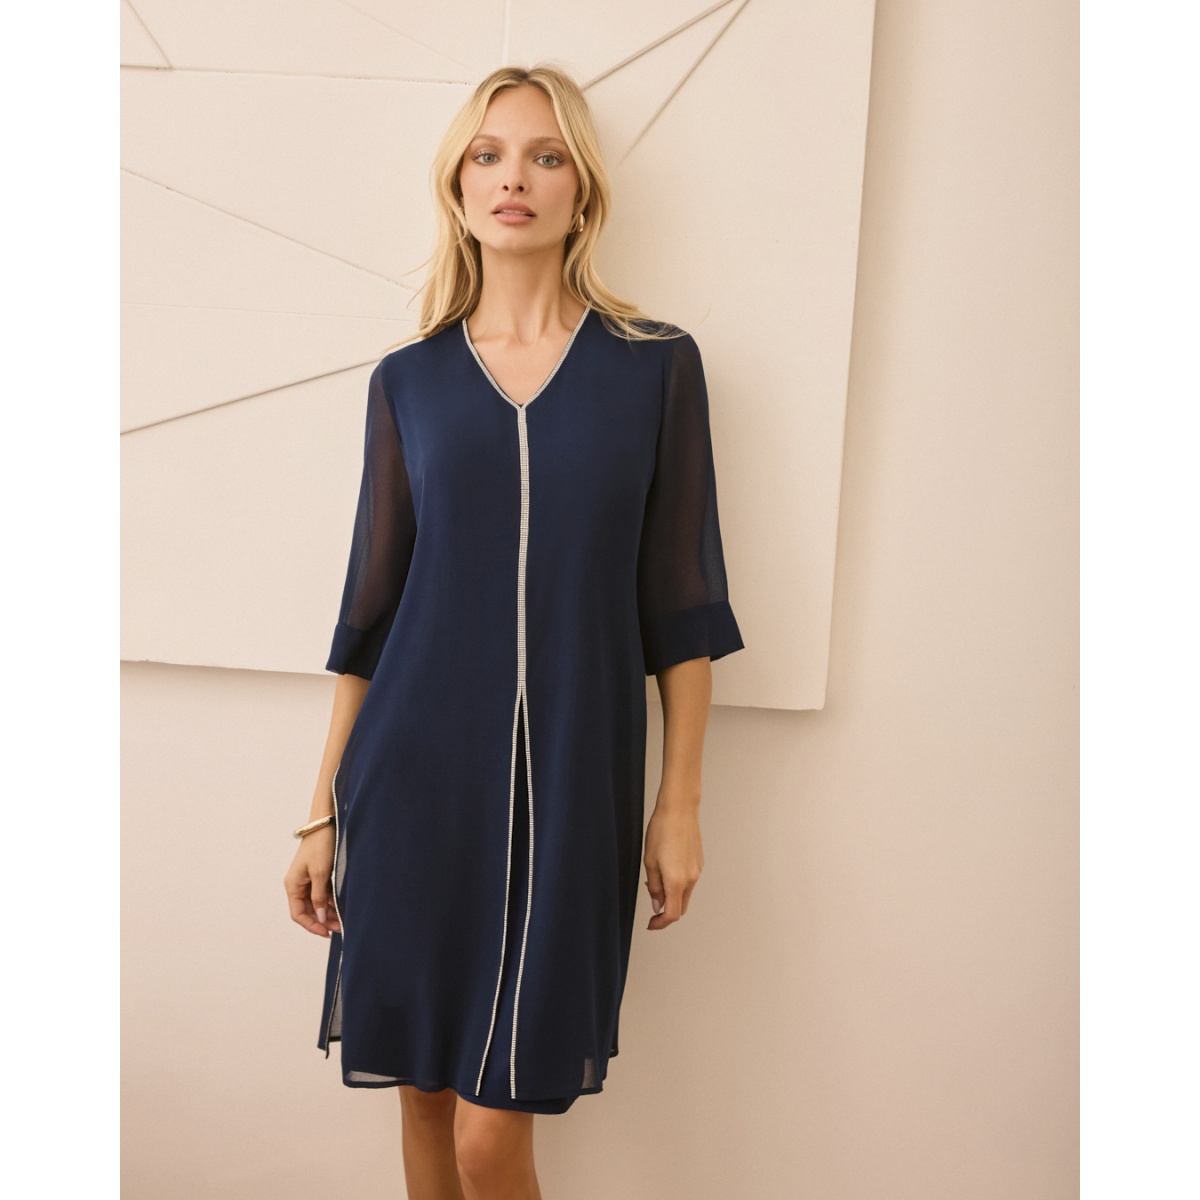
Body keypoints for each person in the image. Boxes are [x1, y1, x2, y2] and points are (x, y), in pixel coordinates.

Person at [284, 63, 745, 1199]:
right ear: (457, 187)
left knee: (494, 1139)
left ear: (582, 190)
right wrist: (321, 811)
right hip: (412, 789)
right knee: (425, 1105)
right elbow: (369, 617)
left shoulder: (656, 367)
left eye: (545, 156)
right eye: (488, 156)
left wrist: (679, 804)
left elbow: (682, 608)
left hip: (574, 798)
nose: (515, 178)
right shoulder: (411, 382)